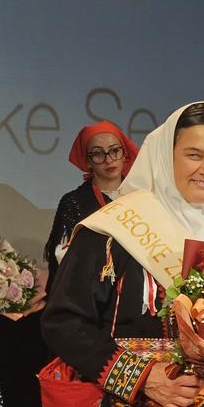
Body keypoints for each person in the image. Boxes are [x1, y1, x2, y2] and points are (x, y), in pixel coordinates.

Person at [40, 102, 204, 407]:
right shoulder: (113, 229)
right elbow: (63, 322)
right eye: (194, 154)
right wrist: (144, 377)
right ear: (166, 154)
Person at [44, 121, 138, 288]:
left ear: (124, 154)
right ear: (87, 161)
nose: (108, 159)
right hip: (87, 293)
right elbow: (59, 261)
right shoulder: (74, 202)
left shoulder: (141, 198)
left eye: (114, 150)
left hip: (135, 291)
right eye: (98, 153)